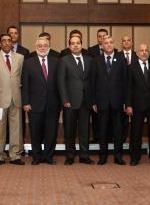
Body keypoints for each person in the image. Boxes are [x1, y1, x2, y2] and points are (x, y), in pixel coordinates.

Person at [0, 33, 25, 166]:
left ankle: (15, 155)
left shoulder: (20, 58)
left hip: (16, 98)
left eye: (9, 40)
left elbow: (23, 79)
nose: (7, 43)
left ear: (12, 42)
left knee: (16, 128)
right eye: (4, 41)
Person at [22, 37, 60, 165]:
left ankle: (49, 156)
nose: (42, 48)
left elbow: (60, 84)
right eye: (40, 45)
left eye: (45, 45)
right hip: (34, 104)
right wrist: (25, 102)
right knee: (35, 132)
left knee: (51, 132)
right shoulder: (28, 62)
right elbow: (25, 84)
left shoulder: (56, 62)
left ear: (49, 47)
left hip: (53, 104)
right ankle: (37, 157)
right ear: (36, 47)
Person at [58, 35, 95, 165]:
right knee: (69, 130)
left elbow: (92, 81)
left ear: (81, 45)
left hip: (86, 101)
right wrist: (64, 100)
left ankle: (84, 155)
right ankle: (70, 156)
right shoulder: (64, 60)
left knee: (85, 130)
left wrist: (93, 101)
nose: (75, 45)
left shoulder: (89, 60)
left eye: (78, 43)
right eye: (73, 43)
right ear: (69, 46)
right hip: (70, 101)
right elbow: (61, 82)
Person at [125, 43, 150, 166]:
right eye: (141, 50)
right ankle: (135, 157)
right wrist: (128, 105)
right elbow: (128, 88)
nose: (144, 52)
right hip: (137, 105)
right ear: (137, 53)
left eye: (146, 50)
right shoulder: (131, 67)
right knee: (136, 133)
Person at [92, 35, 127, 165]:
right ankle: (103, 156)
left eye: (111, 42)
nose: (108, 45)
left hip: (117, 102)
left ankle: (118, 156)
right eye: (106, 43)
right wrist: (93, 101)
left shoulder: (121, 59)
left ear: (114, 44)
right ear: (102, 45)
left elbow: (125, 82)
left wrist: (126, 101)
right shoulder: (96, 60)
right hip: (102, 101)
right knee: (103, 131)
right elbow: (93, 82)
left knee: (118, 131)